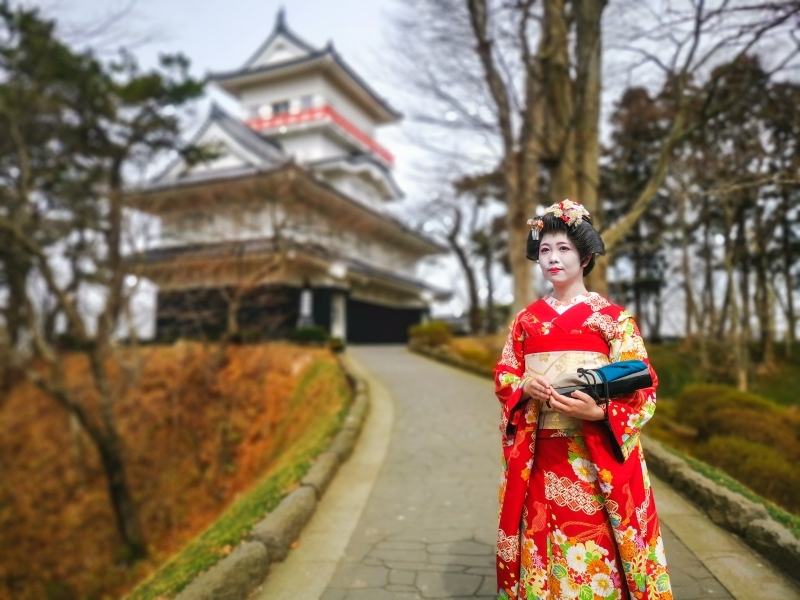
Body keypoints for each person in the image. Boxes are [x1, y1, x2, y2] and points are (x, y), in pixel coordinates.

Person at [494, 200, 672, 600]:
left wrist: (601, 410)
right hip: (541, 454)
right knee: (540, 550)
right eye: (544, 250)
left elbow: (642, 384)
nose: (552, 258)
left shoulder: (612, 319)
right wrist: (524, 388)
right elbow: (505, 374)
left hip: (593, 456)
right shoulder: (526, 320)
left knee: (599, 552)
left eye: (563, 249)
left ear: (585, 255)